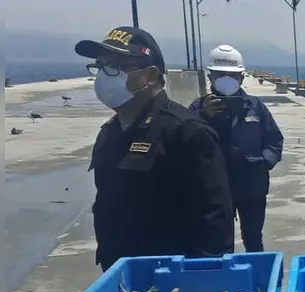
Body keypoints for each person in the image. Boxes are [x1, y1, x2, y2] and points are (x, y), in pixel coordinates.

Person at [75, 26, 234, 271]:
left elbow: (215, 220)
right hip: (119, 272)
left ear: (150, 75)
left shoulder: (186, 132)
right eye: (101, 65)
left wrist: (205, 280)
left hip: (171, 283)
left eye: (117, 66)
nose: (105, 76)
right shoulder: (110, 132)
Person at [190, 44, 284, 253]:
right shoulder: (197, 108)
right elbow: (186, 142)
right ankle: (229, 282)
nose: (227, 80)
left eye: (232, 75)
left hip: (252, 187)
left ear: (241, 78)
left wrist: (263, 162)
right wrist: (204, 117)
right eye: (221, 74)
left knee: (253, 239)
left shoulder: (255, 106)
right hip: (216, 191)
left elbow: (274, 140)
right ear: (211, 76)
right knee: (220, 242)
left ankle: (258, 282)